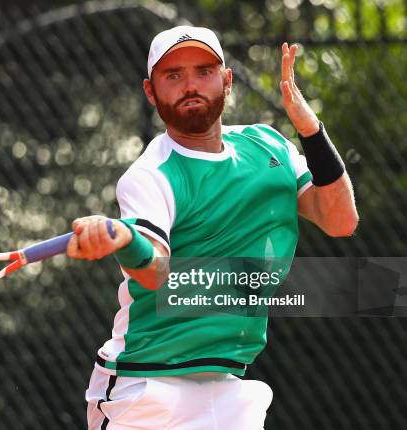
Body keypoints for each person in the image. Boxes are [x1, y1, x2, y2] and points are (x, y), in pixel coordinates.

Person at [67, 26, 358, 430]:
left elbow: (340, 219)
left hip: (228, 390)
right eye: (173, 76)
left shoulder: (270, 147)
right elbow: (153, 270)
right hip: (147, 388)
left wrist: (310, 130)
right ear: (151, 92)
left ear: (227, 79)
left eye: (204, 71)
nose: (190, 85)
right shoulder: (151, 175)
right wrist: (127, 239)